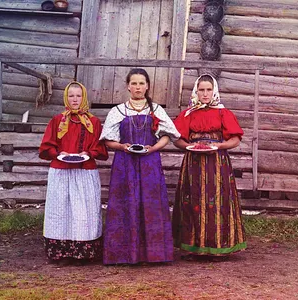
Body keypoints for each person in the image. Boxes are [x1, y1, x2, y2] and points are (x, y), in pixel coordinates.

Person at [100, 68, 181, 265]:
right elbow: (108, 141)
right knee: (125, 203)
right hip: (125, 164)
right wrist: (122, 146)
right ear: (128, 86)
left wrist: (153, 149)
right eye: (134, 83)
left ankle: (154, 254)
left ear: (147, 86)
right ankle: (123, 254)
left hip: (149, 164)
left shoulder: (156, 110)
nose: (138, 87)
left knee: (150, 203)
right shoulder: (117, 111)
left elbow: (167, 136)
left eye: (141, 83)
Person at [172, 74, 246, 260]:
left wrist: (219, 146)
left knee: (217, 201)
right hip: (194, 163)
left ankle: (219, 246)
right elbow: (177, 139)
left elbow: (235, 139)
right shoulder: (188, 114)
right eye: (202, 90)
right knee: (193, 200)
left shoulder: (223, 113)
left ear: (214, 91)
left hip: (216, 163)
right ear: (196, 91)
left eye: (209, 90)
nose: (205, 94)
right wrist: (189, 146)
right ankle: (193, 247)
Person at [39, 81, 108, 265]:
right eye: (71, 96)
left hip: (84, 173)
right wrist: (58, 153)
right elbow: (47, 146)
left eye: (78, 96)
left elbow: (100, 148)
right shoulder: (57, 121)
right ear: (66, 98)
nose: (75, 99)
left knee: (84, 211)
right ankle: (61, 253)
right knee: (60, 210)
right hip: (61, 172)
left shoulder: (93, 122)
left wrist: (88, 153)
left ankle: (82, 253)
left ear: (84, 97)